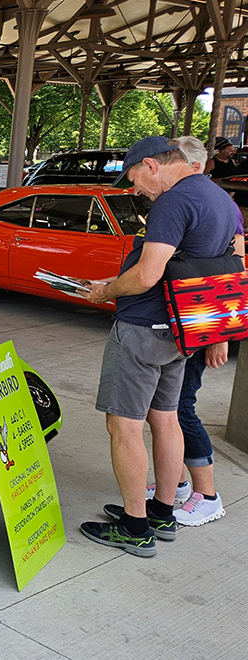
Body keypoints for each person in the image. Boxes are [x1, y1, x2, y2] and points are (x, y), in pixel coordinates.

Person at [80, 136, 239, 557]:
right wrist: (216, 331)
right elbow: (233, 267)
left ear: (151, 165)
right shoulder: (220, 198)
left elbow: (148, 274)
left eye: (134, 179)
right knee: (165, 418)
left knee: (123, 424)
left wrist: (105, 292)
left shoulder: (173, 202)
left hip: (143, 326)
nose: (136, 190)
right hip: (180, 328)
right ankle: (162, 512)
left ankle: (135, 526)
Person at [141, 135, 241, 527]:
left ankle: (207, 493)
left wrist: (218, 334)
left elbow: (233, 271)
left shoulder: (217, 206)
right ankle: (178, 483)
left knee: (180, 408)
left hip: (199, 324)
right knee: (163, 409)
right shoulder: (208, 202)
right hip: (182, 322)